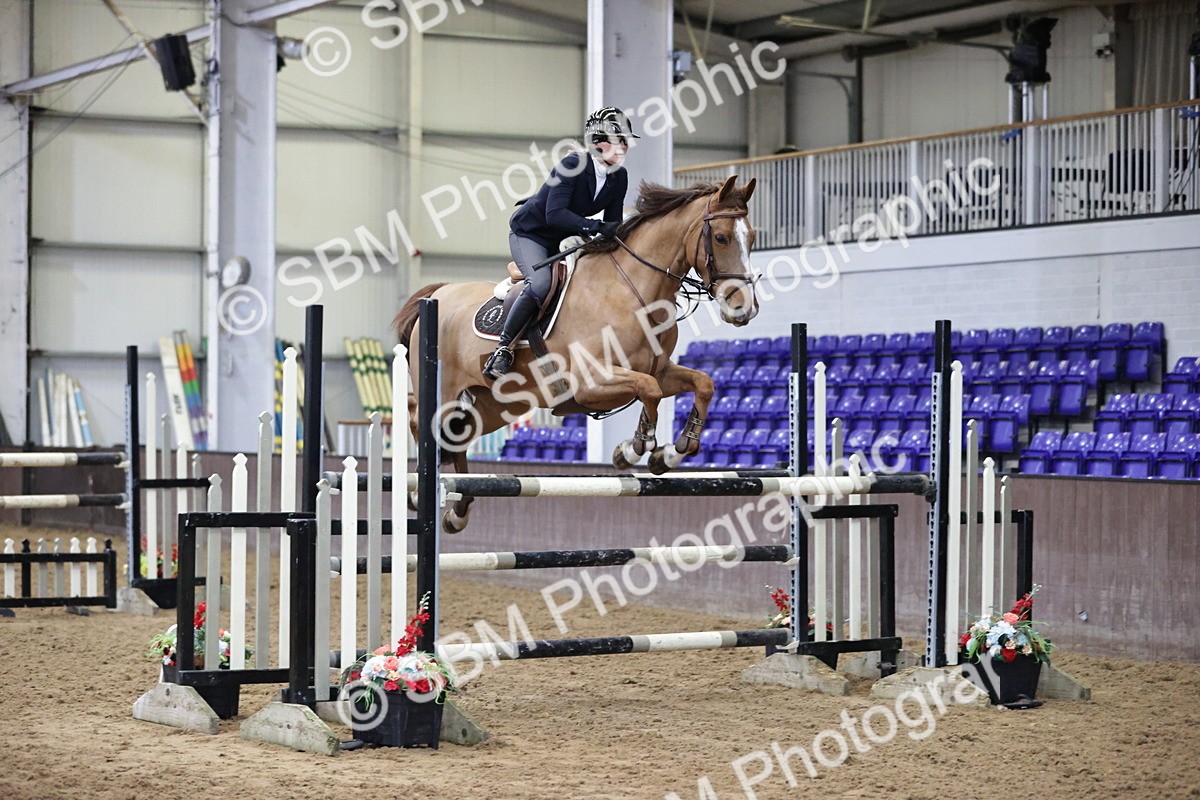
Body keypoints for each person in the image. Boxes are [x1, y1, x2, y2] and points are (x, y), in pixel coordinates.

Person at [481, 106, 639, 380]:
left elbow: (611, 225)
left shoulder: (619, 177)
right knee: (541, 283)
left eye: (626, 141)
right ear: (598, 142)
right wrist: (594, 227)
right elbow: (554, 215)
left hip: (564, 239)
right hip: (531, 234)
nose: (625, 147)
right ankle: (503, 349)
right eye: (619, 141)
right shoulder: (572, 165)